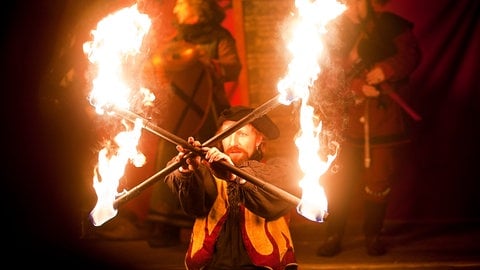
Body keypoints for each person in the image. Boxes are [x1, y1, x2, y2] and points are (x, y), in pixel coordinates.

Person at [313, 0, 422, 257]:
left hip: (382, 118)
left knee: (378, 181)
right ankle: (333, 235)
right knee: (338, 180)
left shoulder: (391, 25)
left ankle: (373, 235)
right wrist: (357, 87)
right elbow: (326, 72)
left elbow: (411, 55)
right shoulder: (330, 30)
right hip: (345, 120)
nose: (350, 5)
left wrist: (385, 71)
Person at [139, 0, 243, 247]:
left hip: (208, 111)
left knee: (206, 163)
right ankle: (164, 224)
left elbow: (232, 68)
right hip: (179, 115)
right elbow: (163, 69)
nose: (176, 9)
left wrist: (207, 62)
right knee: (171, 161)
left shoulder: (218, 37)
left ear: (196, 8)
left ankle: (208, 223)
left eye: (182, 4)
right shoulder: (178, 39)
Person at [163, 106, 299, 269]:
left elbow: (273, 198)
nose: (234, 142)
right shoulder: (206, 171)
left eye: (242, 134)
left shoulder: (278, 168)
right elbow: (193, 205)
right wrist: (187, 169)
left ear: (259, 139)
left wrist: (235, 176)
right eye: (227, 135)